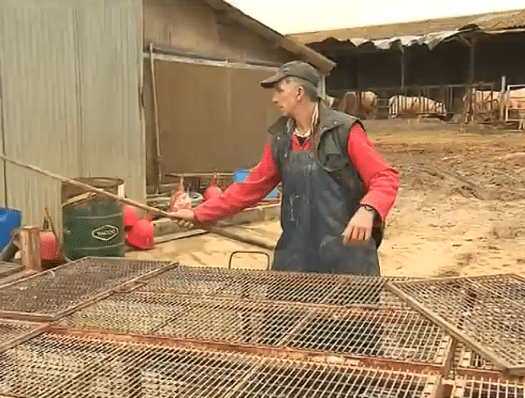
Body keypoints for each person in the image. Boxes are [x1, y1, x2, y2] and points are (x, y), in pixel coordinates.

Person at [169, 60, 399, 276]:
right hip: (297, 257)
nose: (274, 98)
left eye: (279, 90)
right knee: (283, 317)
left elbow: (384, 177)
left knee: (350, 319)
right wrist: (198, 214)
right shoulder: (282, 140)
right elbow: (249, 188)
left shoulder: (344, 131)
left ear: (299, 93)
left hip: (346, 258)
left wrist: (367, 210)